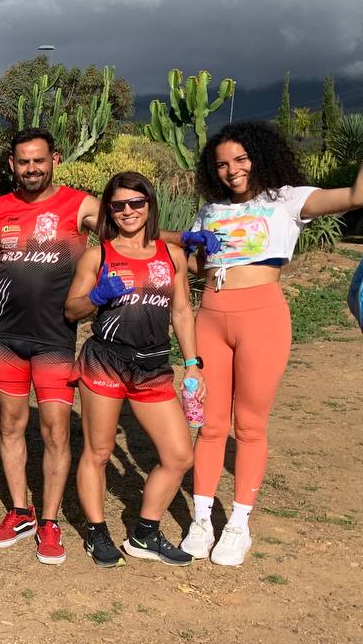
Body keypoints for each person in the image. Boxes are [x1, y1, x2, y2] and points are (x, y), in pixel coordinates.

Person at [182, 122, 363, 565]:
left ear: (259, 157)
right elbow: (190, 265)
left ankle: (238, 524)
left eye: (241, 159)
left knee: (249, 425)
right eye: (222, 164)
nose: (232, 170)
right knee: (209, 426)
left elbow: (357, 197)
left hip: (262, 316)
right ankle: (201, 519)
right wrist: (188, 247)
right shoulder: (209, 210)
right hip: (211, 317)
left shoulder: (287, 199)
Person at [0, 128, 102, 564]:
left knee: (55, 430)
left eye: (39, 161)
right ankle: (19, 510)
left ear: (55, 159)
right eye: (23, 161)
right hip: (7, 337)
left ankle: (49, 521)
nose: (31, 169)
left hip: (55, 339)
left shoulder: (79, 204)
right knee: (10, 426)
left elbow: (130, 225)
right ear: (12, 164)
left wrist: (179, 243)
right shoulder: (1, 207)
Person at [64, 173, 201, 568]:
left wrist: (194, 365)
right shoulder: (98, 256)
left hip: (153, 365)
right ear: (109, 210)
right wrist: (95, 296)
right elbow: (71, 310)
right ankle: (96, 531)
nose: (127, 211)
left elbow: (181, 312)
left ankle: (144, 533)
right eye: (118, 205)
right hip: (106, 360)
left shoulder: (170, 255)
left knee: (178, 456)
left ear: (149, 205)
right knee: (100, 451)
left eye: (135, 203)